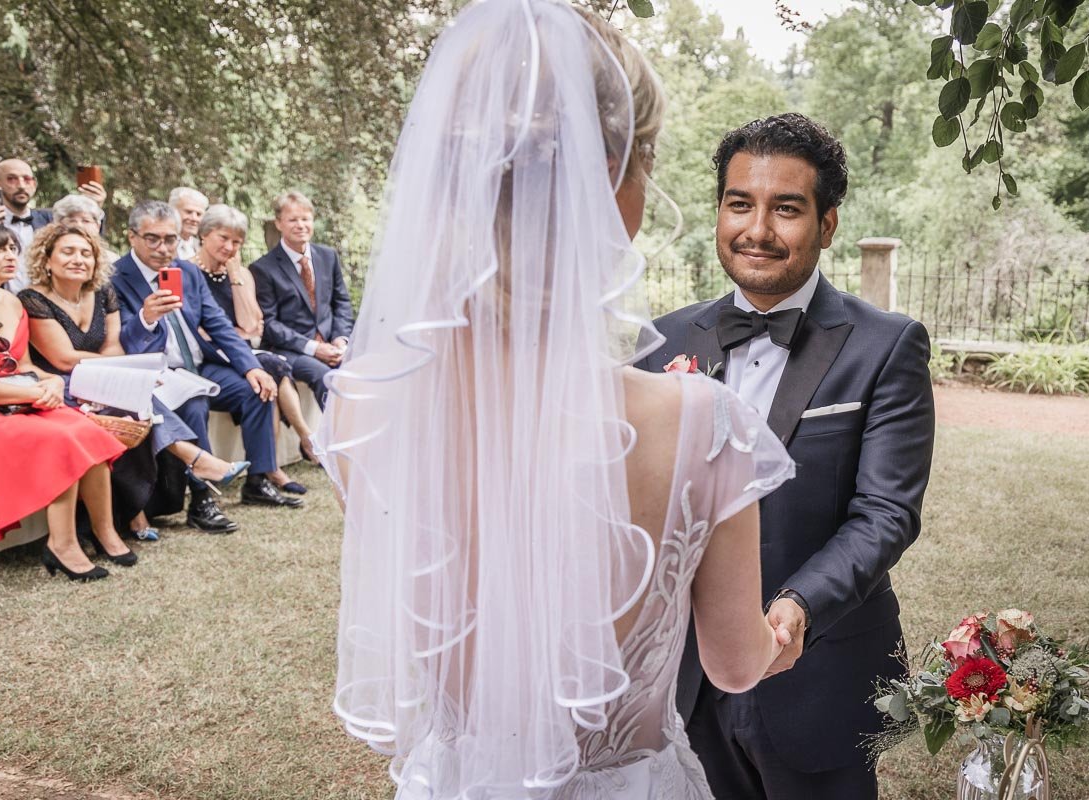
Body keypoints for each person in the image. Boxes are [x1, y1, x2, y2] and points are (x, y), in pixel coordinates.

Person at [313, 3, 796, 797]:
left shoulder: (364, 412)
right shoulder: (700, 423)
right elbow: (735, 665)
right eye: (646, 161)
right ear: (607, 176)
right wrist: (782, 634)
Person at [638, 113, 936, 799]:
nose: (758, 230)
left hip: (816, 673)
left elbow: (886, 514)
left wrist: (799, 605)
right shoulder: (661, 344)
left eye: (787, 209)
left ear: (828, 225)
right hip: (682, 681)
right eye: (740, 203)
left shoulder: (887, 346)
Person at [0, 221, 134, 580]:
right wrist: (32, 393)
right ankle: (61, 545)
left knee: (87, 429)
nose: (9, 256)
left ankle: (104, 530)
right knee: (61, 438)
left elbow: (24, 365)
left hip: (14, 396)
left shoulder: (12, 301)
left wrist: (51, 382)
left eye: (12, 248)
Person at [19, 222, 248, 540]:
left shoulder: (102, 292)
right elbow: (63, 359)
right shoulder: (32, 299)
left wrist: (126, 373)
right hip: (60, 383)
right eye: (68, 252)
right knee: (131, 400)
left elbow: (114, 347)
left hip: (99, 377)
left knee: (137, 397)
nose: (78, 259)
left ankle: (144, 507)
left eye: (86, 253)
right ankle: (194, 461)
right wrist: (125, 372)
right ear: (47, 259)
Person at [111, 200, 302, 533]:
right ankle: (202, 500)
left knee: (257, 389)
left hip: (198, 366)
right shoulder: (116, 277)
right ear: (132, 236)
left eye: (170, 239)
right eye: (153, 239)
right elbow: (123, 340)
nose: (163, 248)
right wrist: (146, 318)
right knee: (194, 403)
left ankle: (258, 480)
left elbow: (218, 325)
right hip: (157, 374)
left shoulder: (186, 272)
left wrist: (251, 368)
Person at [192, 204, 318, 487]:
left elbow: (250, 325)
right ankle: (294, 449)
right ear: (204, 234)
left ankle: (264, 473)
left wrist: (235, 277)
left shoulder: (241, 275)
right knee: (271, 367)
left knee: (268, 376)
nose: (229, 247)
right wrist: (234, 333)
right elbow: (198, 332)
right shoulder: (188, 271)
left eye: (236, 242)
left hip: (241, 352)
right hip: (209, 357)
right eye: (223, 238)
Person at [249, 190, 354, 410]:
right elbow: (270, 324)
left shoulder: (328, 256)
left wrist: (340, 340)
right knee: (327, 378)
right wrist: (314, 348)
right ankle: (335, 433)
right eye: (293, 220)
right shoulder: (263, 268)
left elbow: (341, 303)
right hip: (290, 350)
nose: (300, 225)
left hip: (332, 345)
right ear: (279, 223)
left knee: (362, 372)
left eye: (305, 219)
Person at [0, 158, 106, 293]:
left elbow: (87, 242)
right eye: (12, 179)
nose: (21, 185)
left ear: (34, 184)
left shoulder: (51, 218)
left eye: (27, 179)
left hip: (44, 301)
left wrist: (95, 207)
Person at [51, 193, 119, 260]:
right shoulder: (49, 256)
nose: (79, 225)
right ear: (58, 225)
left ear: (97, 226)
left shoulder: (112, 260)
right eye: (72, 221)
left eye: (86, 221)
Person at [168, 187, 208, 261]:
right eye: (188, 212)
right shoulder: (161, 244)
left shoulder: (203, 248)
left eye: (198, 214)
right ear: (172, 211)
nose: (194, 218)